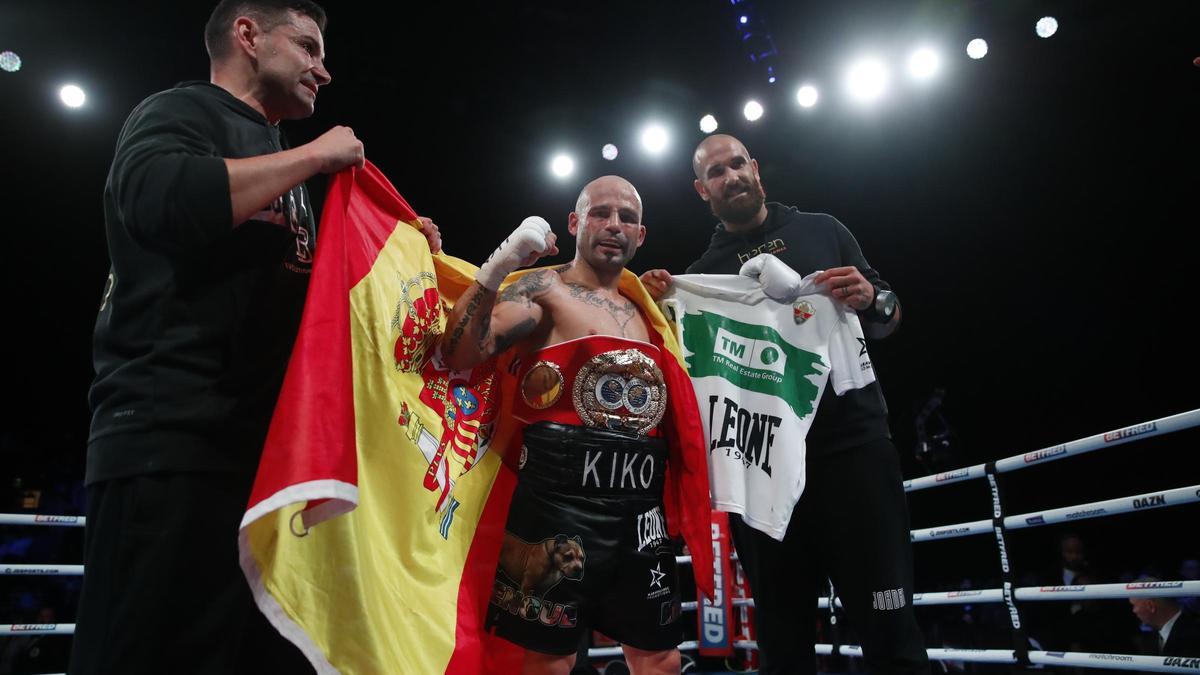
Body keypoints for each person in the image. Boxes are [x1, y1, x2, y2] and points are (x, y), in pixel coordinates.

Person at [71, 2, 439, 673]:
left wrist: (398, 257)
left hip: (253, 456)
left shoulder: (279, 158)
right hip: (166, 438)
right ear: (247, 34)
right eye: (306, 46)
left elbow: (314, 308)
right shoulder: (181, 112)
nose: (323, 71)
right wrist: (316, 155)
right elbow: (158, 198)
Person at [642, 134, 928, 675]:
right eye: (716, 173)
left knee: (891, 628)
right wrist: (660, 307)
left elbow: (890, 314)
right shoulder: (702, 277)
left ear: (755, 169)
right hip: (761, 465)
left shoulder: (824, 230)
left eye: (736, 164)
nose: (730, 177)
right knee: (783, 638)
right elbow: (677, 371)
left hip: (854, 453)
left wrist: (872, 297)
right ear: (702, 190)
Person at [441, 176, 711, 675]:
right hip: (555, 504)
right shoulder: (543, 289)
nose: (614, 226)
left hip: (640, 510)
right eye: (601, 213)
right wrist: (499, 266)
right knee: (549, 661)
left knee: (662, 658)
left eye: (627, 218)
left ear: (641, 234)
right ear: (575, 223)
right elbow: (460, 351)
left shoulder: (648, 311)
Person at [1129, 578, 1200, 657]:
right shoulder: (1152, 637)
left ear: (1150, 606)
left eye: (1134, 605)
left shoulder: (1194, 634)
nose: (1134, 611)